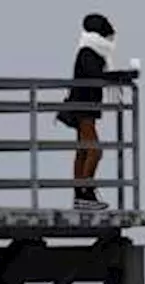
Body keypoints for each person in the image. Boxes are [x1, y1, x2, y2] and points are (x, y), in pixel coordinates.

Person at [56, 13, 137, 210]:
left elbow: (98, 75)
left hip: (84, 107)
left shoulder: (90, 51)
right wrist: (123, 75)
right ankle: (86, 193)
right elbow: (97, 76)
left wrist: (121, 75)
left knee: (84, 151)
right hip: (83, 108)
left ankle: (80, 194)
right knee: (94, 150)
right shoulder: (89, 52)